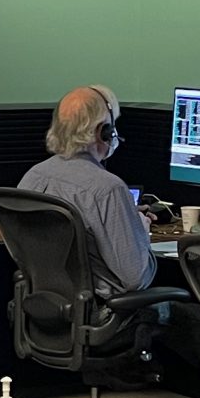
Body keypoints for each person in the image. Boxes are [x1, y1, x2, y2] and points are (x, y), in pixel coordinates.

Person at [17, 85, 156, 293]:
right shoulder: (109, 189)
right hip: (107, 316)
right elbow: (136, 278)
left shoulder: (32, 177)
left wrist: (123, 220)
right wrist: (140, 230)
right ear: (105, 132)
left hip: (43, 310)